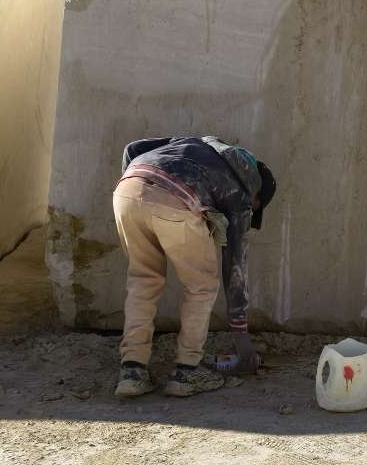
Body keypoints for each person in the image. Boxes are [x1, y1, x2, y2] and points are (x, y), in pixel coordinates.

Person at [113, 135, 276, 399]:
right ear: (256, 191)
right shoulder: (242, 191)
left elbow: (132, 148)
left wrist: (143, 193)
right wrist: (241, 337)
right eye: (256, 206)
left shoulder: (199, 145)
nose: (250, 211)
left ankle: (132, 371)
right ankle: (186, 372)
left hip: (127, 191)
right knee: (202, 286)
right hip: (177, 198)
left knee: (143, 280)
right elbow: (235, 265)